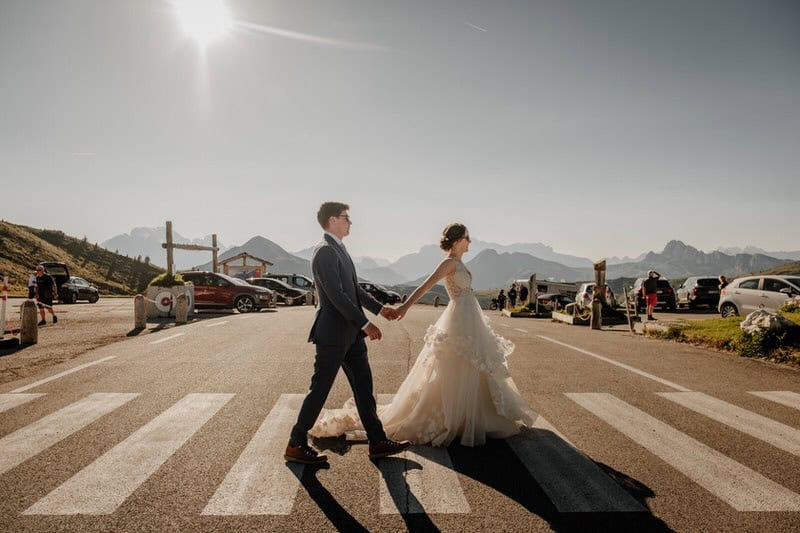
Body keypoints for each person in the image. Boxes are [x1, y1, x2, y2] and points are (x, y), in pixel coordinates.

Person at [311, 223, 534, 447]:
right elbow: (425, 286)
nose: (470, 242)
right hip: (458, 319)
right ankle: (452, 417)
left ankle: (473, 414)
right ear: (458, 240)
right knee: (455, 365)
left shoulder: (459, 263)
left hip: (471, 319)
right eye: (467, 238)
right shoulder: (448, 263)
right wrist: (404, 307)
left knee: (475, 365)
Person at [285, 202, 410, 465]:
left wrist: (379, 309)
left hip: (351, 336)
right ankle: (296, 444)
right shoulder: (325, 252)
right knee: (320, 388)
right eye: (346, 217)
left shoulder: (340, 250)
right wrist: (366, 324)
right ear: (332, 220)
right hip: (332, 334)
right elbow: (337, 296)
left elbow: (354, 290)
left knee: (364, 388)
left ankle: (377, 441)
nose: (350, 222)